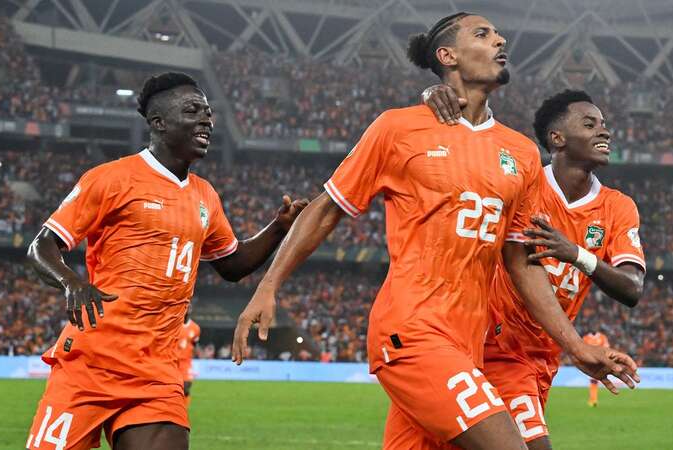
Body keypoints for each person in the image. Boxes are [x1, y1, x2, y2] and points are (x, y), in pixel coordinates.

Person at [233, 13, 638, 450]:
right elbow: (329, 208)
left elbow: (519, 261)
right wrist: (269, 284)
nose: (500, 40)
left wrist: (575, 347)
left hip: (469, 348)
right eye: (483, 35)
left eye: (499, 34)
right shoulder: (398, 128)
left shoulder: (520, 153)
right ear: (447, 56)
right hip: (412, 333)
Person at [24, 72, 307, 450]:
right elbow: (41, 246)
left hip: (156, 373)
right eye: (193, 111)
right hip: (92, 365)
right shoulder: (111, 179)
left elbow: (233, 264)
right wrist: (72, 282)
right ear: (159, 122)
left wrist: (278, 228)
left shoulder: (206, 196)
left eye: (208, 112)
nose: (206, 120)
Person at [423, 88, 646, 449]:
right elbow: (470, 143)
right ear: (557, 138)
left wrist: (576, 253)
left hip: (543, 358)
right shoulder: (524, 183)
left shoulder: (618, 208)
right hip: (494, 347)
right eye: (589, 124)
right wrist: (434, 93)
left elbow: (632, 287)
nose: (604, 132)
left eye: (604, 125)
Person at [178, 306, 201, 408]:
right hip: (172, 361)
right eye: (186, 307)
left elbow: (195, 344)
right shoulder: (174, 325)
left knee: (186, 387)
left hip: (186, 362)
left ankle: (183, 410)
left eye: (190, 307)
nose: (188, 309)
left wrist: (197, 353)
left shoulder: (195, 328)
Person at [583, 331, 610, 407]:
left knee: (594, 381)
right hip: (590, 361)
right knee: (593, 381)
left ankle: (593, 400)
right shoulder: (586, 338)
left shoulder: (602, 337)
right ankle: (593, 400)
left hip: (599, 362)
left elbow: (606, 348)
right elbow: (582, 349)